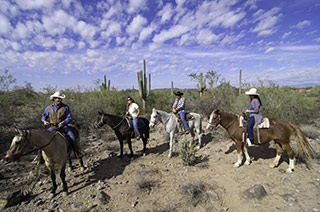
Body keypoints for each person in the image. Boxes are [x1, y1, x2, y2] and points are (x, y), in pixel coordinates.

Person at [33, 91, 81, 163]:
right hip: (52, 127)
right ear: (54, 99)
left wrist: (63, 123)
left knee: (72, 137)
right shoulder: (49, 108)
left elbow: (69, 117)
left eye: (60, 98)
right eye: (57, 98)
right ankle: (39, 157)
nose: (59, 100)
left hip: (63, 127)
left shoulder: (65, 107)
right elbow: (44, 116)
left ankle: (77, 152)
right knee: (42, 139)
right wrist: (44, 121)